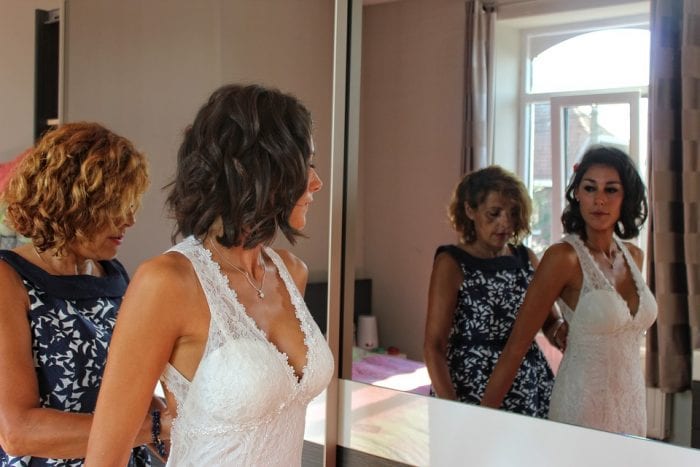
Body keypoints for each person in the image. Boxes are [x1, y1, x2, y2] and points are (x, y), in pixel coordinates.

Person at [85, 84, 334, 466]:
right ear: (259, 167)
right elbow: (105, 458)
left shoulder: (291, 273)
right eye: (307, 163)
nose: (316, 182)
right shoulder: (167, 282)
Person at [0, 122, 161, 466]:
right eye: (116, 204)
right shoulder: (7, 280)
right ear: (72, 203)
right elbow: (17, 433)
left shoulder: (114, 276)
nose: (130, 219)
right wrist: (154, 428)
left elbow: (136, 394)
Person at [481, 146, 656, 437]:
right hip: (580, 410)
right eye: (589, 188)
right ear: (578, 194)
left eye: (611, 190)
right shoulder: (563, 258)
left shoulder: (634, 256)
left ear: (625, 196)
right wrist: (476, 419)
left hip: (632, 406)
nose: (599, 199)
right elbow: (517, 344)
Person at [423, 165, 558, 417]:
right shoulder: (452, 263)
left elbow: (552, 321)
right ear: (470, 210)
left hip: (526, 384)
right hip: (469, 387)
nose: (505, 223)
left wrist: (569, 333)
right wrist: (452, 409)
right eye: (494, 213)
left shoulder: (526, 258)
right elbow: (434, 346)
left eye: (512, 213)